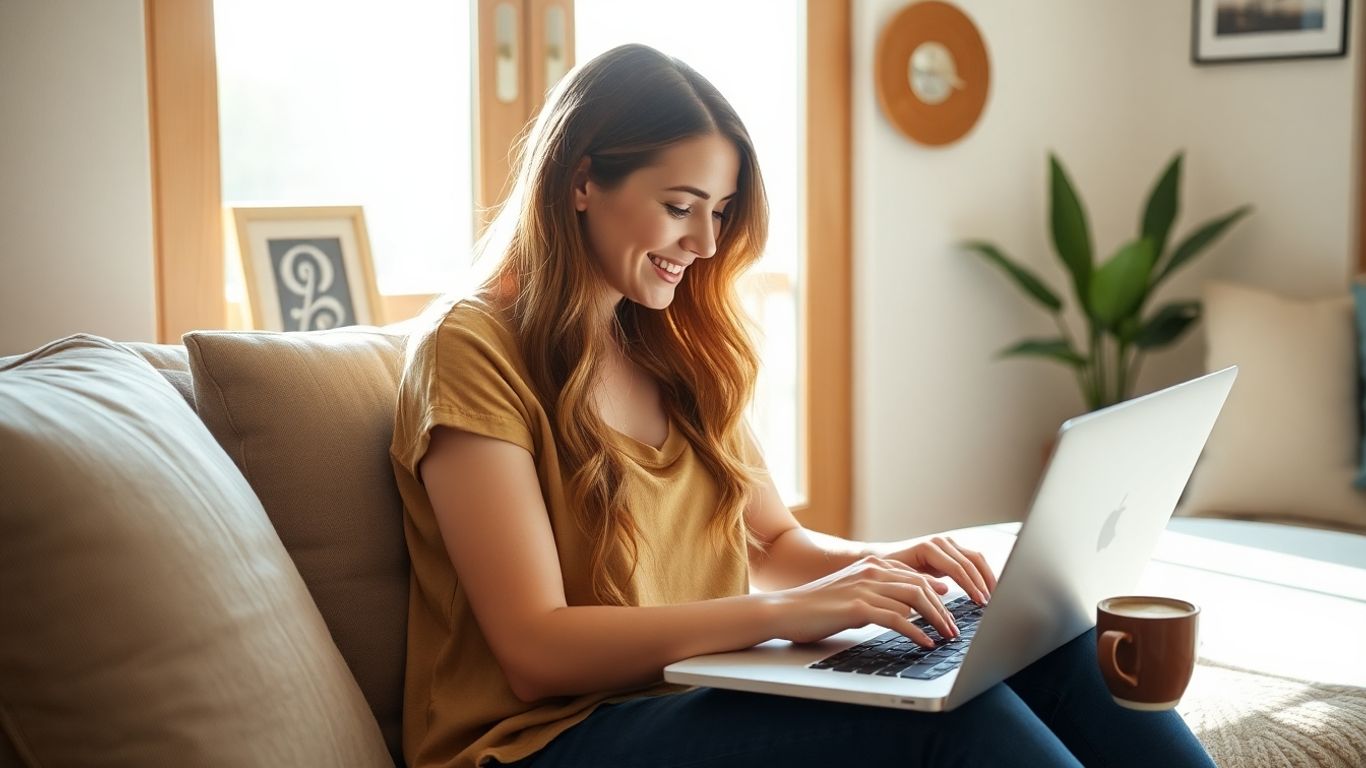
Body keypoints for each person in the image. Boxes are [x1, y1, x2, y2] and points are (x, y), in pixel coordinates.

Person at [389, 43, 1216, 768]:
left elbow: (775, 539)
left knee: (1050, 644)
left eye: (717, 212)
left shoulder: (670, 342)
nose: (706, 244)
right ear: (580, 182)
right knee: (944, 725)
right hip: (545, 740)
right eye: (680, 207)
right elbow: (535, 649)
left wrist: (888, 568)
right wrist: (786, 614)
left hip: (674, 698)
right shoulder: (472, 350)